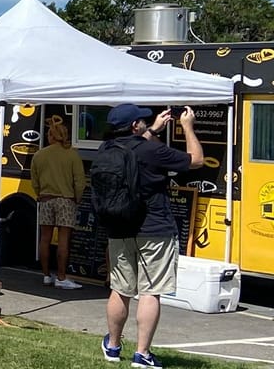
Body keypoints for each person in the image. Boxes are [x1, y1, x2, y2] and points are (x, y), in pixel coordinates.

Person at [97, 104, 202, 369]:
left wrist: (153, 129)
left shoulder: (106, 150)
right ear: (135, 126)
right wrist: (187, 127)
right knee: (150, 291)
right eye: (142, 120)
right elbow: (196, 159)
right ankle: (142, 353)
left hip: (118, 227)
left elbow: (133, 146)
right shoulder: (152, 150)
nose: (145, 122)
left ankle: (113, 346)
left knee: (120, 289)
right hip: (154, 229)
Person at [34, 122, 86, 290]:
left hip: (46, 199)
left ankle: (46, 275)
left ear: (51, 136)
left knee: (44, 239)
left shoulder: (39, 155)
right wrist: (77, 198)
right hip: (66, 200)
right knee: (63, 240)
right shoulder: (72, 155)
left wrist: (39, 193)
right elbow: (80, 181)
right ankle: (62, 277)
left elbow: (35, 181)